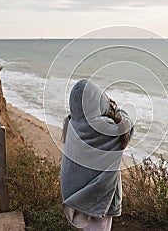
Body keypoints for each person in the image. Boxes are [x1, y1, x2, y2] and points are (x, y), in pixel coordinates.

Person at [61, 79, 134, 231]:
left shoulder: (72, 123)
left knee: (88, 226)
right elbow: (128, 125)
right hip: (101, 191)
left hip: (80, 189)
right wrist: (114, 108)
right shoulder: (103, 127)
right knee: (101, 226)